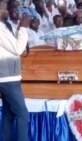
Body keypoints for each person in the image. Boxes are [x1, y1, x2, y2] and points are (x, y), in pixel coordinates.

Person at [0, 0, 31, 140]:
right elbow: (17, 49)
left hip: (9, 76)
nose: (8, 11)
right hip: (7, 78)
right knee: (22, 114)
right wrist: (24, 28)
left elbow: (14, 46)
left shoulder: (5, 26)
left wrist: (19, 30)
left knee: (9, 114)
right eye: (4, 9)